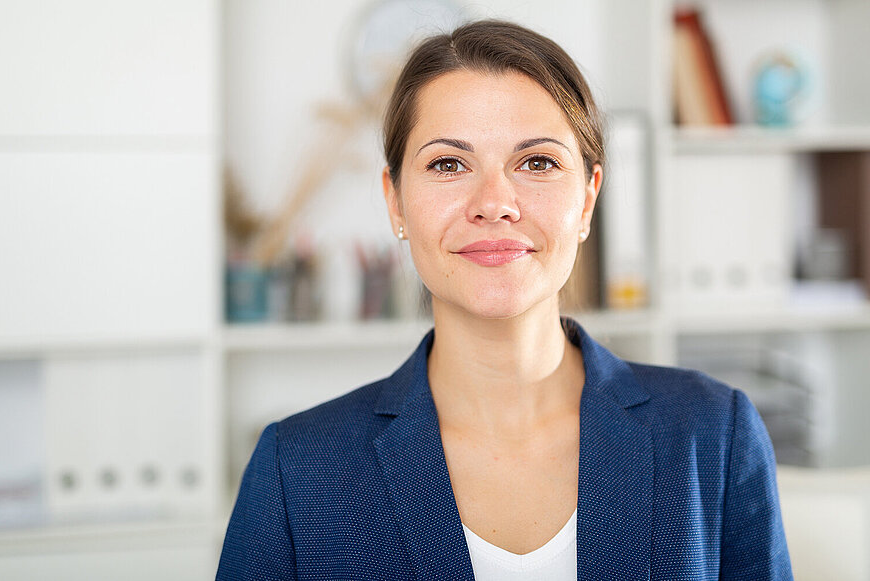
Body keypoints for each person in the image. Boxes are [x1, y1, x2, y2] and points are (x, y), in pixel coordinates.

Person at [216, 20, 793, 580]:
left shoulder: (715, 434)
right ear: (395, 202)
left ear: (589, 199)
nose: (495, 203)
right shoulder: (298, 469)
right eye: (448, 164)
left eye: (536, 162)